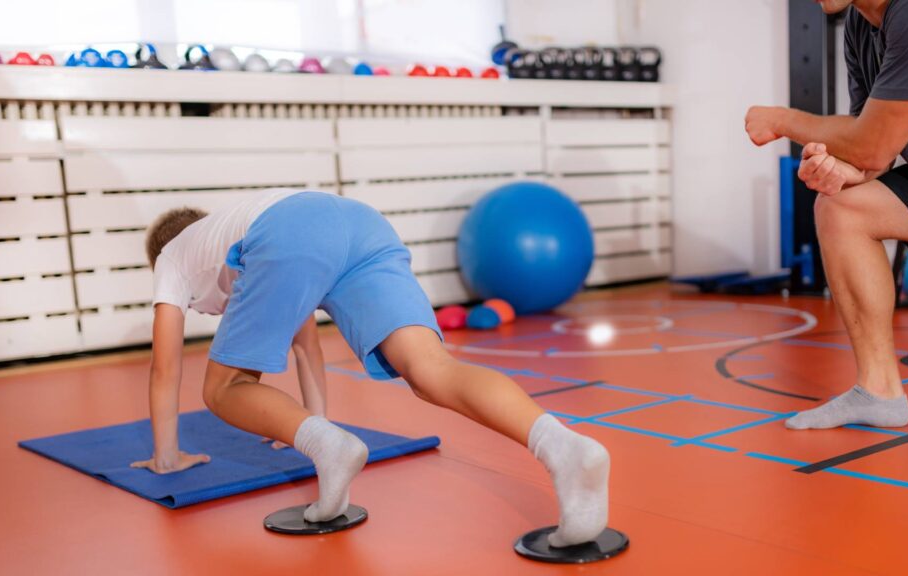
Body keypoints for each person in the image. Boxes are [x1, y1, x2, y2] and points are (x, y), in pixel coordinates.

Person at [133, 189, 610, 547]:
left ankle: (333, 448)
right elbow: (306, 347)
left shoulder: (172, 257)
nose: (202, 311)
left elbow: (164, 370)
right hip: (360, 224)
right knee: (431, 370)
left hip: (295, 229)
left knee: (224, 387)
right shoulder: (237, 234)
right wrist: (309, 427)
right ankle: (564, 446)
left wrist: (167, 456)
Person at [744, 0, 908, 429]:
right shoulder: (861, 29)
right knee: (843, 208)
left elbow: (870, 143)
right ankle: (877, 392)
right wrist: (838, 170)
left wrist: (784, 121)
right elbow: (872, 153)